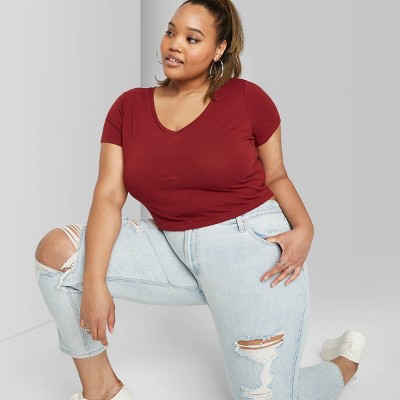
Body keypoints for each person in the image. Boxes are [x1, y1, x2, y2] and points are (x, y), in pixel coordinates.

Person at [34, 1, 367, 399]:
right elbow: (108, 195)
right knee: (58, 255)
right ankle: (102, 390)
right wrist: (93, 282)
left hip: (252, 252)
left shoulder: (248, 99)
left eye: (192, 39)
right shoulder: (128, 107)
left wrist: (305, 228)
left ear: (219, 49)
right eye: (170, 32)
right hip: (170, 246)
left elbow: (276, 174)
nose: (174, 44)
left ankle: (344, 362)